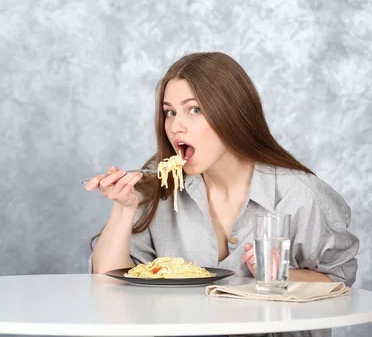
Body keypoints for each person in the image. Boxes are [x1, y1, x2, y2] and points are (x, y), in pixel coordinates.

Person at [85, 52, 359, 337]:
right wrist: (124, 207)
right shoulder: (158, 185)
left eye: (194, 109)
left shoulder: (301, 195)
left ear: (232, 114)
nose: (176, 126)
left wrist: (279, 274)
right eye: (170, 112)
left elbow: (339, 284)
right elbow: (108, 285)